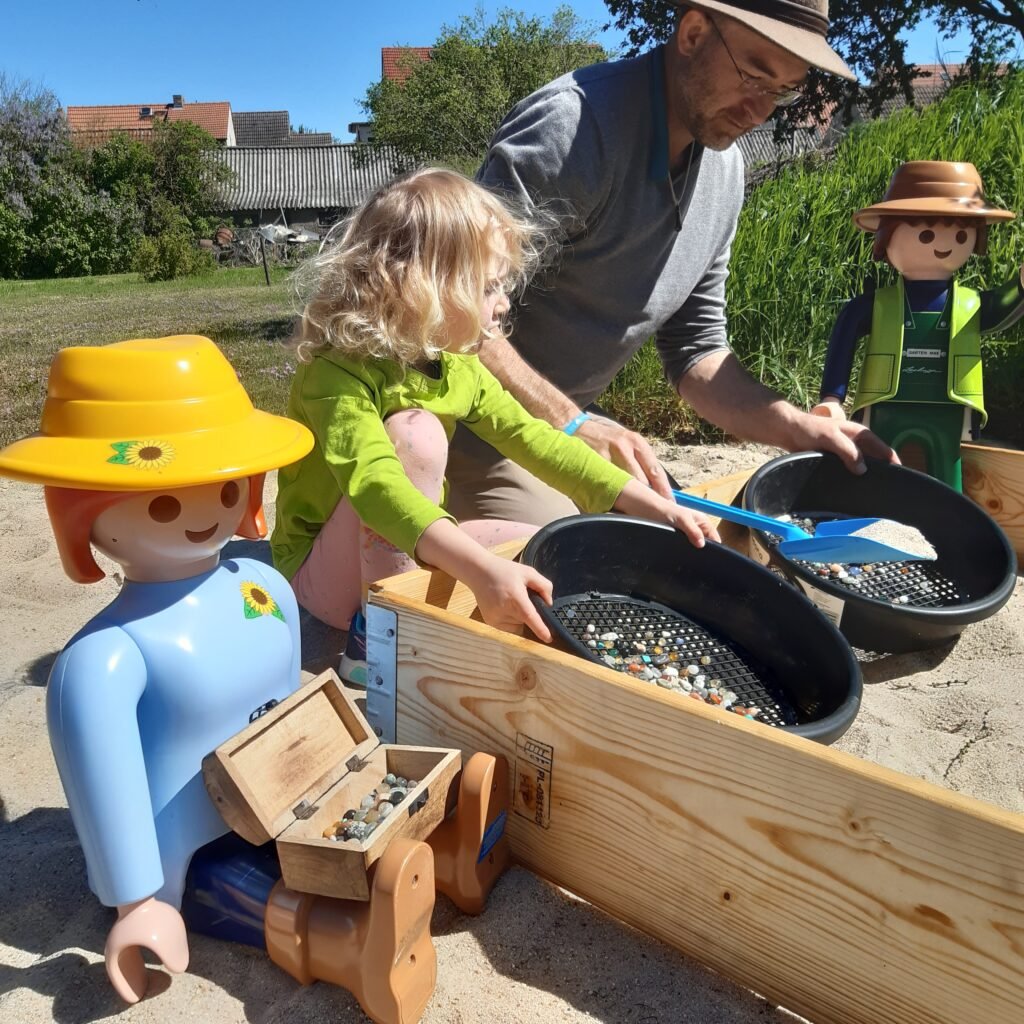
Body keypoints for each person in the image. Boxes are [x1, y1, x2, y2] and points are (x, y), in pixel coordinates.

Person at [444, 0, 895, 527]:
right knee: (576, 573)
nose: (759, 111)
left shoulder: (725, 173)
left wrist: (797, 426)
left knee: (710, 551)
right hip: (468, 424)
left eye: (782, 91)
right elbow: (455, 307)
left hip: (567, 428)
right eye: (754, 75)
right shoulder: (572, 130)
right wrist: (571, 425)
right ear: (694, 33)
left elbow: (697, 354)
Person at [270, 167, 719, 677]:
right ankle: (376, 641)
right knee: (414, 435)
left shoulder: (458, 364)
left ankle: (414, 610)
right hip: (322, 581)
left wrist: (656, 507)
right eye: (488, 286)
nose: (503, 301)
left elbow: (537, 442)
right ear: (426, 289)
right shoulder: (336, 369)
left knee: (545, 549)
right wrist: (480, 571)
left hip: (402, 544)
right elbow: (375, 486)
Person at [0, 335, 315, 1002]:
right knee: (249, 895)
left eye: (226, 486)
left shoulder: (263, 589)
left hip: (276, 805)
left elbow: (289, 709)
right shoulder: (106, 657)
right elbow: (106, 787)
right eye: (163, 503)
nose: (204, 512)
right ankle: (339, 946)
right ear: (84, 512)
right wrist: (136, 897)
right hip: (182, 850)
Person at [812, 160, 1024, 492]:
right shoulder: (880, 304)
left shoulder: (969, 303)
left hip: (948, 408)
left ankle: (946, 527)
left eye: (960, 233)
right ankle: (874, 519)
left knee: (947, 475)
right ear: (887, 235)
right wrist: (832, 398)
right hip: (887, 404)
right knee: (879, 469)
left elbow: (1000, 310)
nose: (944, 243)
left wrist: (1020, 285)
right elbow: (846, 334)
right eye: (925, 233)